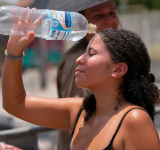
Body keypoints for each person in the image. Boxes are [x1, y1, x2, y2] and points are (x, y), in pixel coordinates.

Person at [2, 10, 160, 149]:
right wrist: (14, 51)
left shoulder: (135, 121)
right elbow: (15, 104)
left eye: (91, 53)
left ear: (117, 69)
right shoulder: (80, 112)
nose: (79, 59)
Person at [57, 0, 119, 148]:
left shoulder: (114, 54)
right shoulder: (79, 61)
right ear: (82, 24)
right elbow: (82, 116)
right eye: (98, 16)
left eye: (112, 13)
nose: (109, 20)